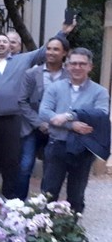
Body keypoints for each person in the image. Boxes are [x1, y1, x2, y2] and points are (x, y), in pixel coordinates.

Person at [0, 11, 75, 198]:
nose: (1, 44)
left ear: (10, 46)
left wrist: (63, 32)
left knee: (11, 160)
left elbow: (44, 50)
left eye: (5, 42)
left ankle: (10, 198)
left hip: (13, 120)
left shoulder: (23, 59)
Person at [39, 48, 110, 213]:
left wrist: (69, 116)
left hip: (83, 148)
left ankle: (72, 225)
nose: (77, 67)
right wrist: (71, 126)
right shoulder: (55, 88)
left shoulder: (100, 92)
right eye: (74, 63)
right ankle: (44, 225)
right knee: (48, 191)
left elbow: (100, 115)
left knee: (76, 194)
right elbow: (44, 112)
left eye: (82, 64)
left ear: (90, 67)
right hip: (57, 145)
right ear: (67, 66)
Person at [17, 37, 69, 200]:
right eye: (49, 48)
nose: (51, 52)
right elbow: (22, 101)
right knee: (25, 166)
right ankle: (19, 205)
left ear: (64, 53)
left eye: (56, 49)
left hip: (57, 129)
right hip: (32, 127)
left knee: (51, 169)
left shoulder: (69, 76)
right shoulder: (31, 74)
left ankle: (46, 205)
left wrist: (56, 122)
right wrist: (39, 123)